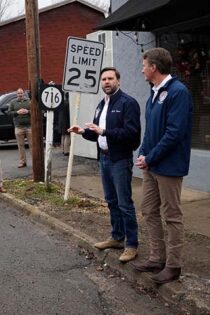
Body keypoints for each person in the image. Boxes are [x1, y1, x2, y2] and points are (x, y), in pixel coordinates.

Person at [68, 67, 141, 263]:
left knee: (125, 204)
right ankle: (117, 237)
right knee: (111, 201)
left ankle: (132, 245)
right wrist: (83, 131)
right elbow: (96, 133)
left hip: (120, 159)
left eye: (110, 79)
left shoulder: (128, 103)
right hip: (104, 159)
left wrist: (104, 132)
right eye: (103, 79)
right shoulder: (101, 104)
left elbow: (133, 136)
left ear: (118, 81)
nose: (106, 82)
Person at [132, 48, 193, 284]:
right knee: (148, 209)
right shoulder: (155, 93)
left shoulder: (178, 92)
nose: (142, 69)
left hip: (169, 167)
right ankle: (157, 258)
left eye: (144, 65)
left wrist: (150, 157)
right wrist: (143, 153)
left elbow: (174, 133)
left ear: (154, 68)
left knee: (172, 216)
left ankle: (174, 266)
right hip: (152, 166)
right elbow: (151, 131)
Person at [8, 88, 33, 168]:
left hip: (29, 126)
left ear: (24, 93)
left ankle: (34, 161)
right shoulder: (13, 102)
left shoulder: (29, 101)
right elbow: (8, 113)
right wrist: (17, 112)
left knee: (32, 145)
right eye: (18, 93)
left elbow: (35, 110)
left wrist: (28, 112)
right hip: (19, 127)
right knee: (20, 145)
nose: (20, 95)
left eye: (21, 93)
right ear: (16, 94)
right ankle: (23, 162)